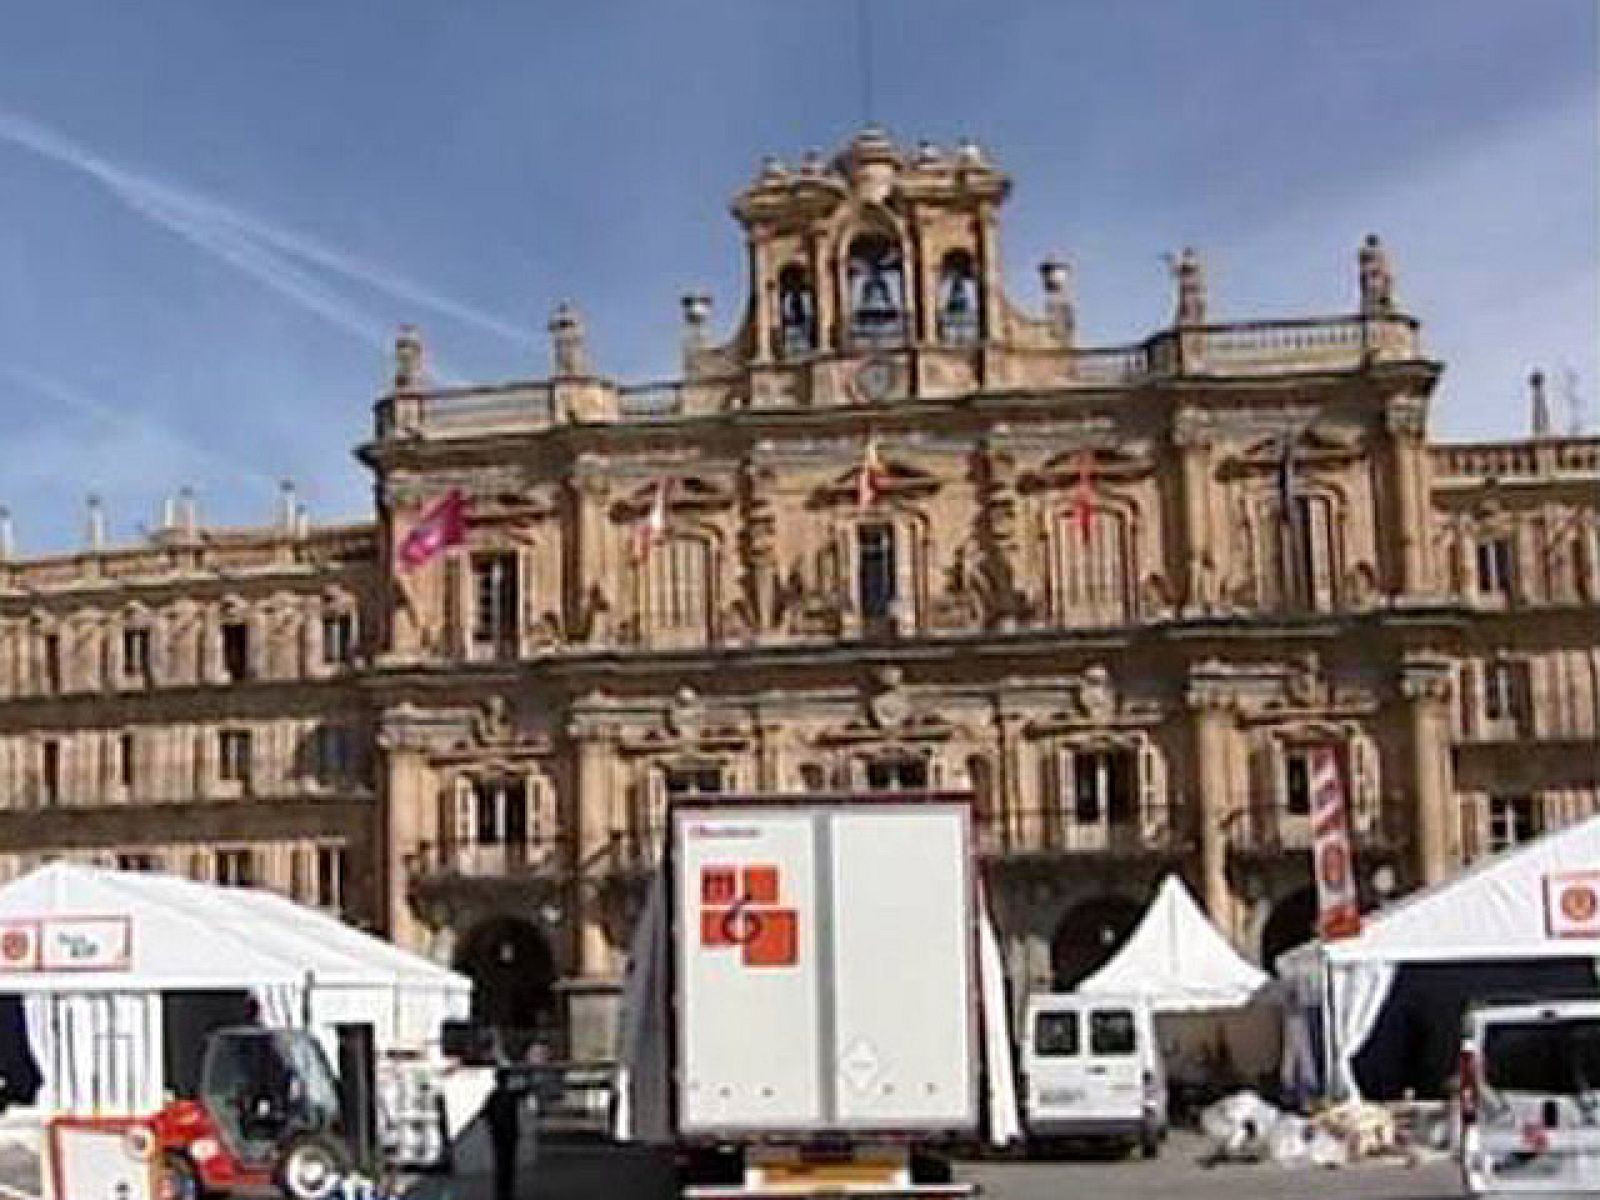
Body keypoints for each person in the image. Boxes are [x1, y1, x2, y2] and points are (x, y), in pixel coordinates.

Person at [486, 1065, 522, 1200]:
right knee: (508, 1165)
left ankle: (502, 1192)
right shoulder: (510, 1096)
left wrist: (492, 1128)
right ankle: (506, 1192)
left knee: (501, 1164)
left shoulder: (493, 1096)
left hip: (499, 1134)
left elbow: (487, 1115)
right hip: (508, 1133)